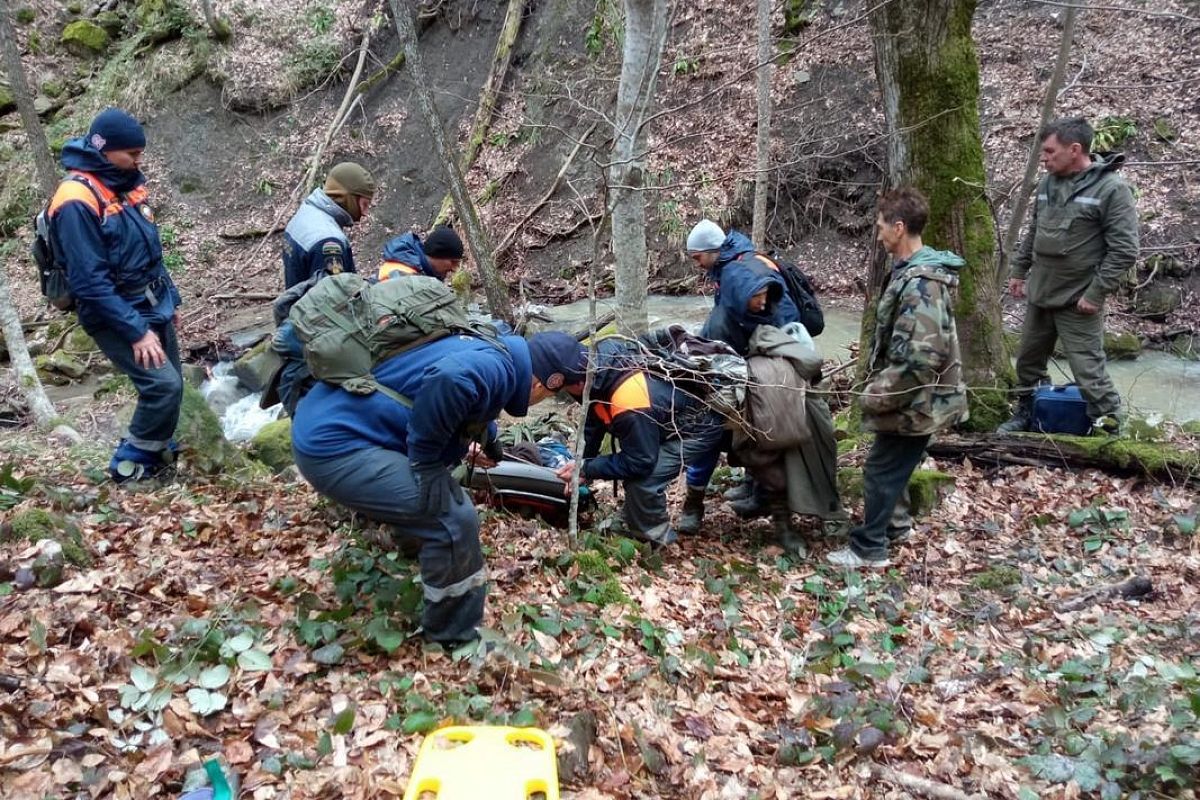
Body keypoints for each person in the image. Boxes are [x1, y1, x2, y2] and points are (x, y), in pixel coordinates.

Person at [289, 327, 583, 646]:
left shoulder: (493, 347)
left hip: (329, 419)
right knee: (453, 520)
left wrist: (488, 439)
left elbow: (467, 394)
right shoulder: (496, 368)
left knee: (436, 496)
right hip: (334, 447)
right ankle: (453, 636)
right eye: (554, 393)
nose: (546, 398)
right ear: (546, 382)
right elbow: (451, 377)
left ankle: (418, 561)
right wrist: (426, 461)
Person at [827, 187, 968, 569]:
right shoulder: (912, 273)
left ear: (899, 228)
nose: (878, 234)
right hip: (918, 399)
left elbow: (920, 358)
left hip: (917, 401)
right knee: (894, 467)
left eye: (881, 226)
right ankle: (895, 527)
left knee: (879, 471)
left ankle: (868, 549)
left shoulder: (922, 283)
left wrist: (877, 394)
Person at [49, 108, 183, 482]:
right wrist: (136, 331)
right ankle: (130, 467)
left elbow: (151, 251)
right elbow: (90, 284)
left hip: (151, 301)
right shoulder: (76, 199)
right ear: (104, 150)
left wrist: (171, 301)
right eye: (133, 154)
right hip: (113, 312)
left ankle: (159, 455)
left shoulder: (123, 184)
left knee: (174, 384)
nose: (139, 161)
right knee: (162, 387)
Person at [998, 117, 1139, 435]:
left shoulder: (1112, 189)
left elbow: (1125, 250)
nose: (1044, 159)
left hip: (1078, 300)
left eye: (1049, 151)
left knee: (1089, 370)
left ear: (1075, 149)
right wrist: (1020, 271)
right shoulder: (1048, 183)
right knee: (1028, 363)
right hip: (1041, 292)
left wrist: (1096, 293)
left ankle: (1109, 428)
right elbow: (1035, 230)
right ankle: (1027, 414)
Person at [527, 332, 726, 548]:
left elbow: (640, 461)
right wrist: (581, 467)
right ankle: (635, 517)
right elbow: (593, 422)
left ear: (555, 378)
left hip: (696, 427)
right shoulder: (590, 371)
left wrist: (586, 468)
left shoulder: (627, 398)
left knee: (643, 481)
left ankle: (654, 540)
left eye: (534, 378)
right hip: (659, 419)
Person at [686, 220, 805, 528]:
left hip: (771, 362)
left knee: (757, 429)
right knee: (741, 431)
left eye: (697, 257)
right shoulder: (737, 266)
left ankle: (767, 503)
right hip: (753, 355)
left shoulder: (741, 275)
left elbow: (779, 319)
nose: (696, 264)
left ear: (712, 251)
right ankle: (755, 490)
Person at [282, 162, 376, 289]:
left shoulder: (306, 212)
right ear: (346, 198)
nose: (365, 213)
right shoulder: (328, 241)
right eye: (364, 204)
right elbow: (333, 300)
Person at [378, 226, 464, 281]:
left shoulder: (413, 266)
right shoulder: (404, 277)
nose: (454, 269)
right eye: (453, 262)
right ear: (437, 254)